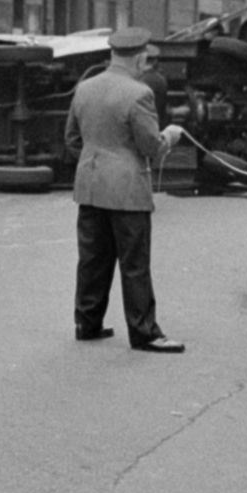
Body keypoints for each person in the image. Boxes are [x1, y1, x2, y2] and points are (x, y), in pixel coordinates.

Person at [64, 27, 187, 353]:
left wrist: (98, 163)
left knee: (92, 259)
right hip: (127, 191)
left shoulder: (85, 88)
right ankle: (145, 332)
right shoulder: (139, 93)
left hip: (90, 186)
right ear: (142, 58)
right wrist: (170, 136)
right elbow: (150, 146)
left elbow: (72, 140)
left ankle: (87, 323)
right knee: (134, 263)